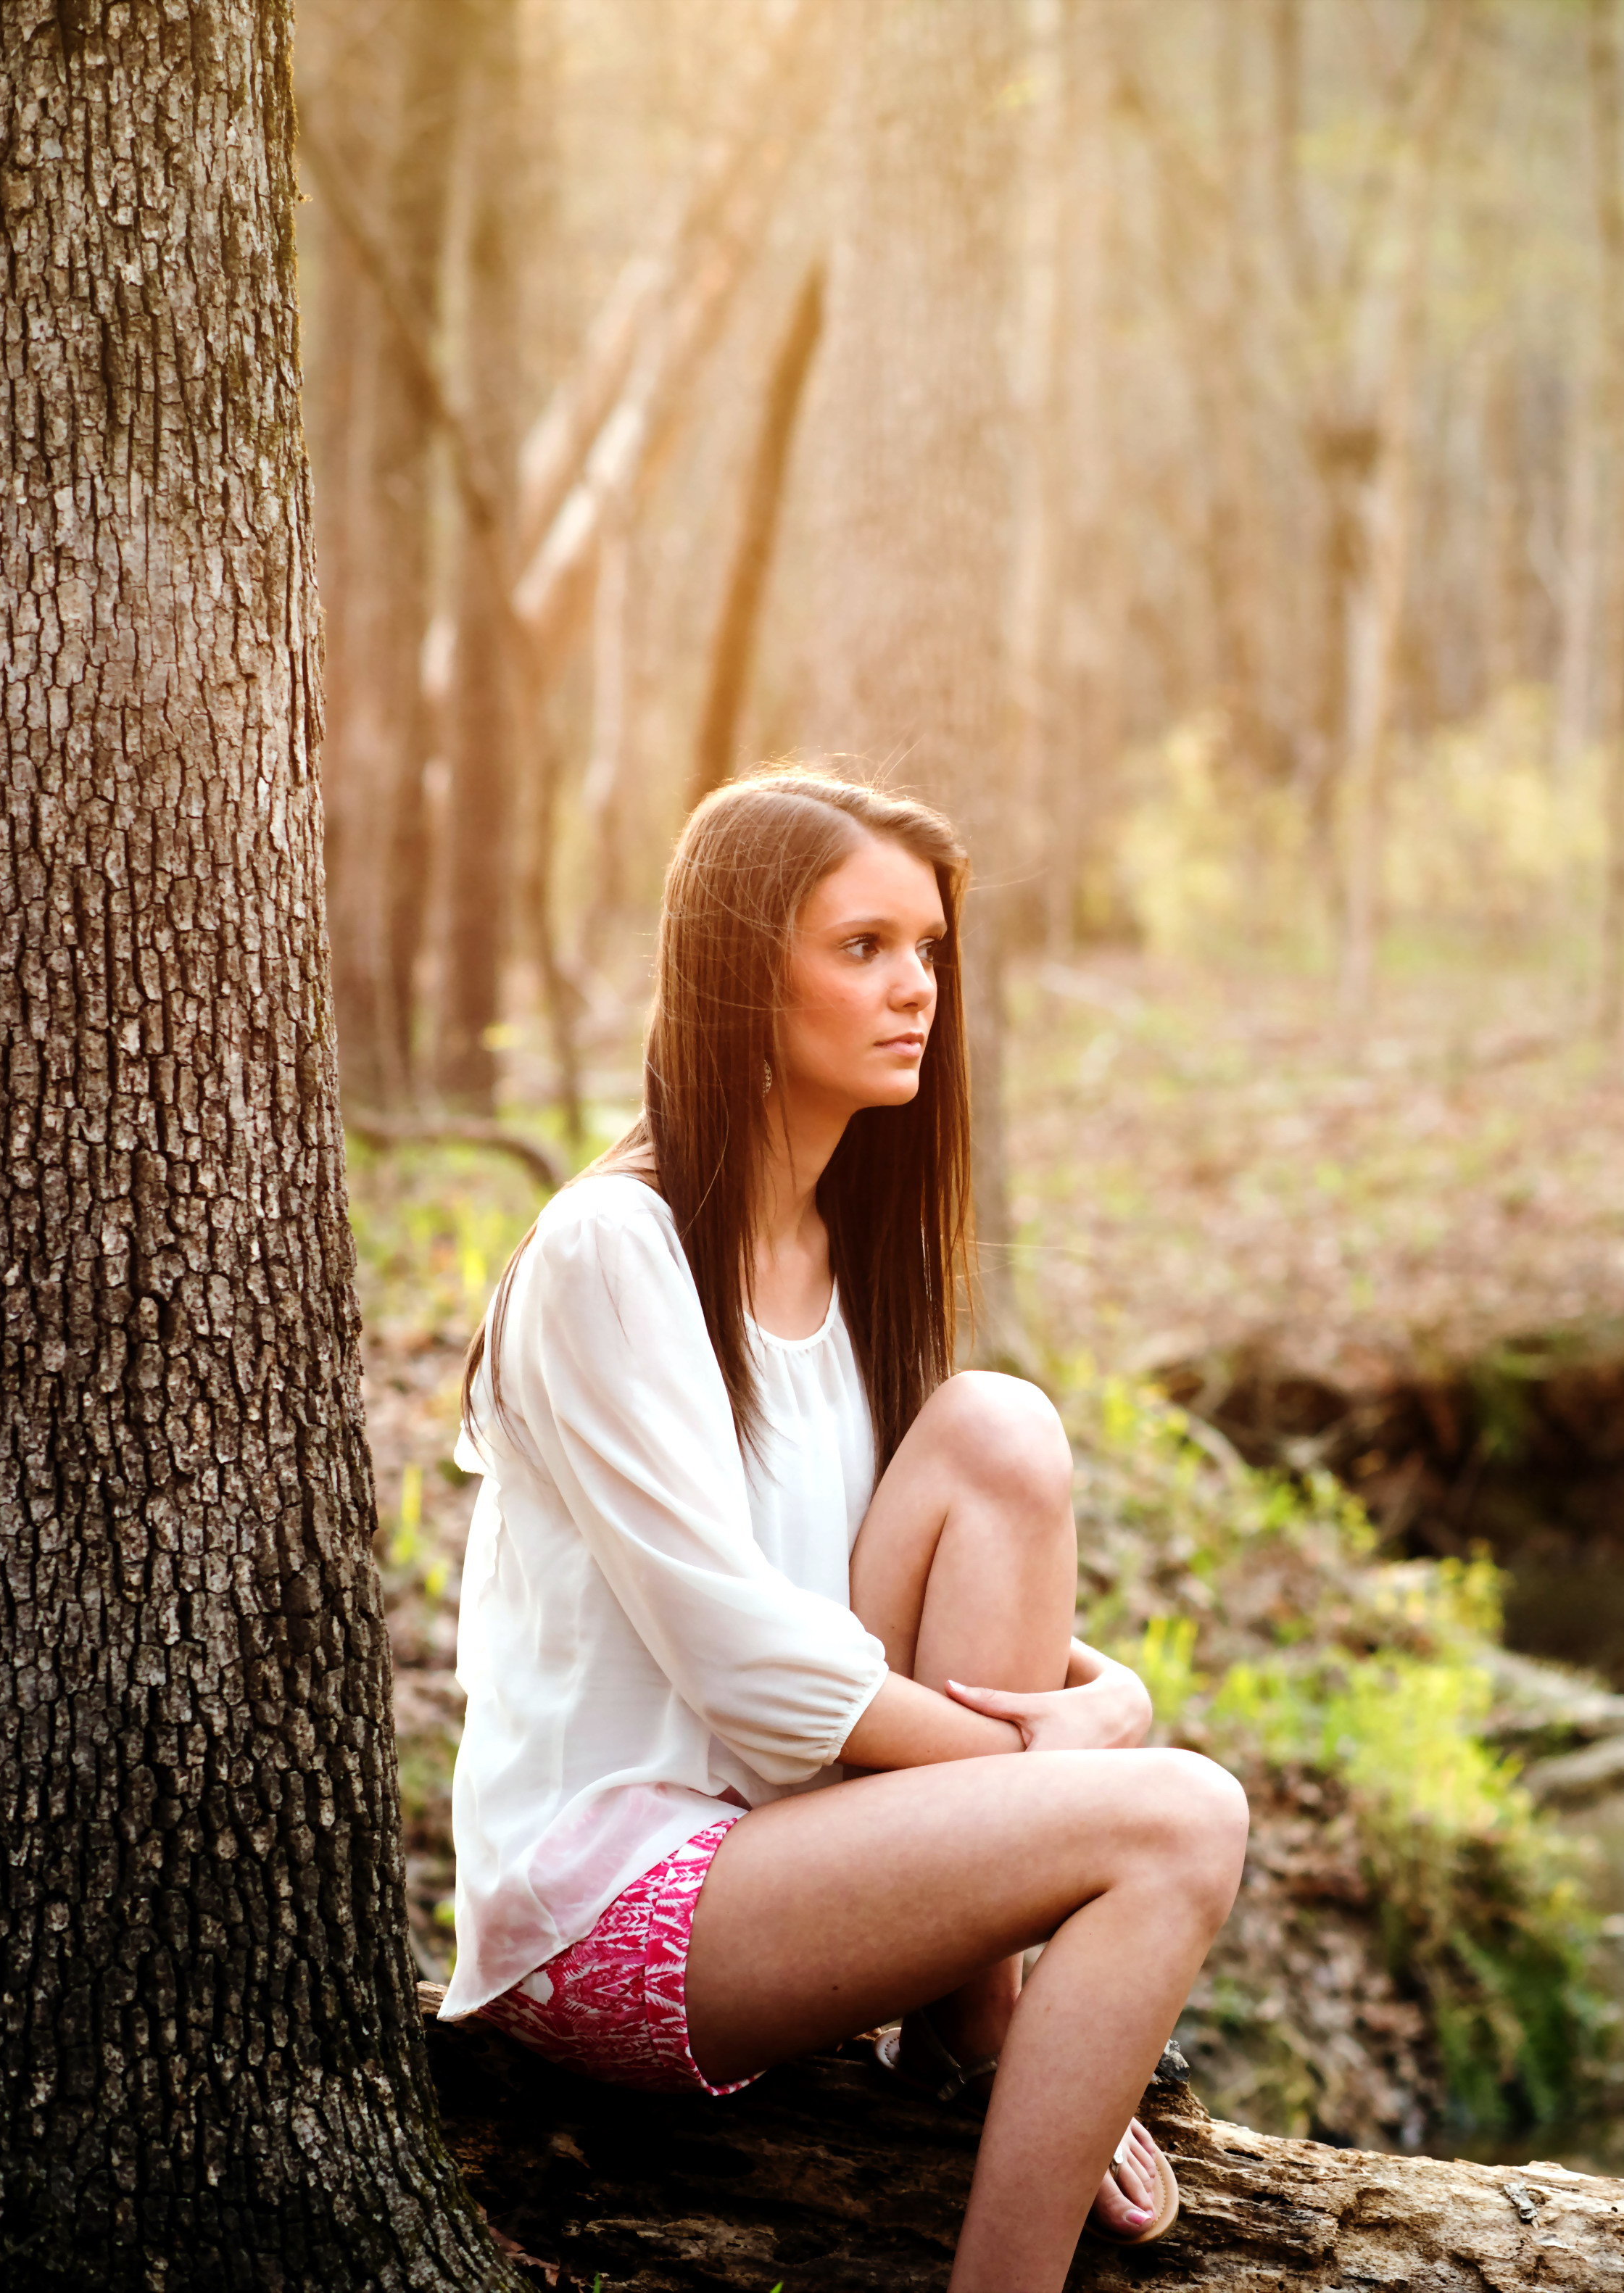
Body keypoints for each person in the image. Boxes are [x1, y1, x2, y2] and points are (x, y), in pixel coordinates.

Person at [433, 768, 1246, 2292]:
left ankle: (976, 2022)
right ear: (746, 972)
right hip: (613, 1903)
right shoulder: (616, 1248)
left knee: (1001, 1428)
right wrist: (1072, 1767)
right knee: (1181, 1820)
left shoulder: (843, 1240)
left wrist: (1102, 1701)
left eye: (929, 949)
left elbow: (854, 1589)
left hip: (778, 1837)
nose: (915, 989)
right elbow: (750, 1667)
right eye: (862, 946)